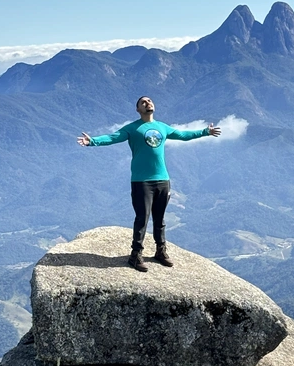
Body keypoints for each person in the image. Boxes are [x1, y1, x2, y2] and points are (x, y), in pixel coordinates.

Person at [77, 96, 221, 272]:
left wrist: (205, 132)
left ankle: (161, 251)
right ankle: (135, 255)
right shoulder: (132, 128)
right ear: (138, 109)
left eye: (150, 100)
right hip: (141, 181)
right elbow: (113, 137)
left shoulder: (162, 127)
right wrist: (92, 141)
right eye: (143, 102)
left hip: (163, 180)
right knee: (142, 219)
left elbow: (183, 135)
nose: (148, 103)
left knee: (160, 219)